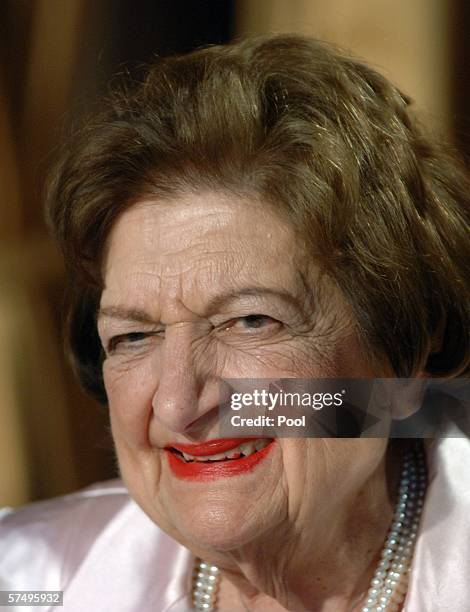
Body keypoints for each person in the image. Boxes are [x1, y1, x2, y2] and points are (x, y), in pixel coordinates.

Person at [1, 34, 469, 612]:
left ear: (410, 356)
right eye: (133, 336)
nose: (177, 404)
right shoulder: (27, 582)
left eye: (251, 321)